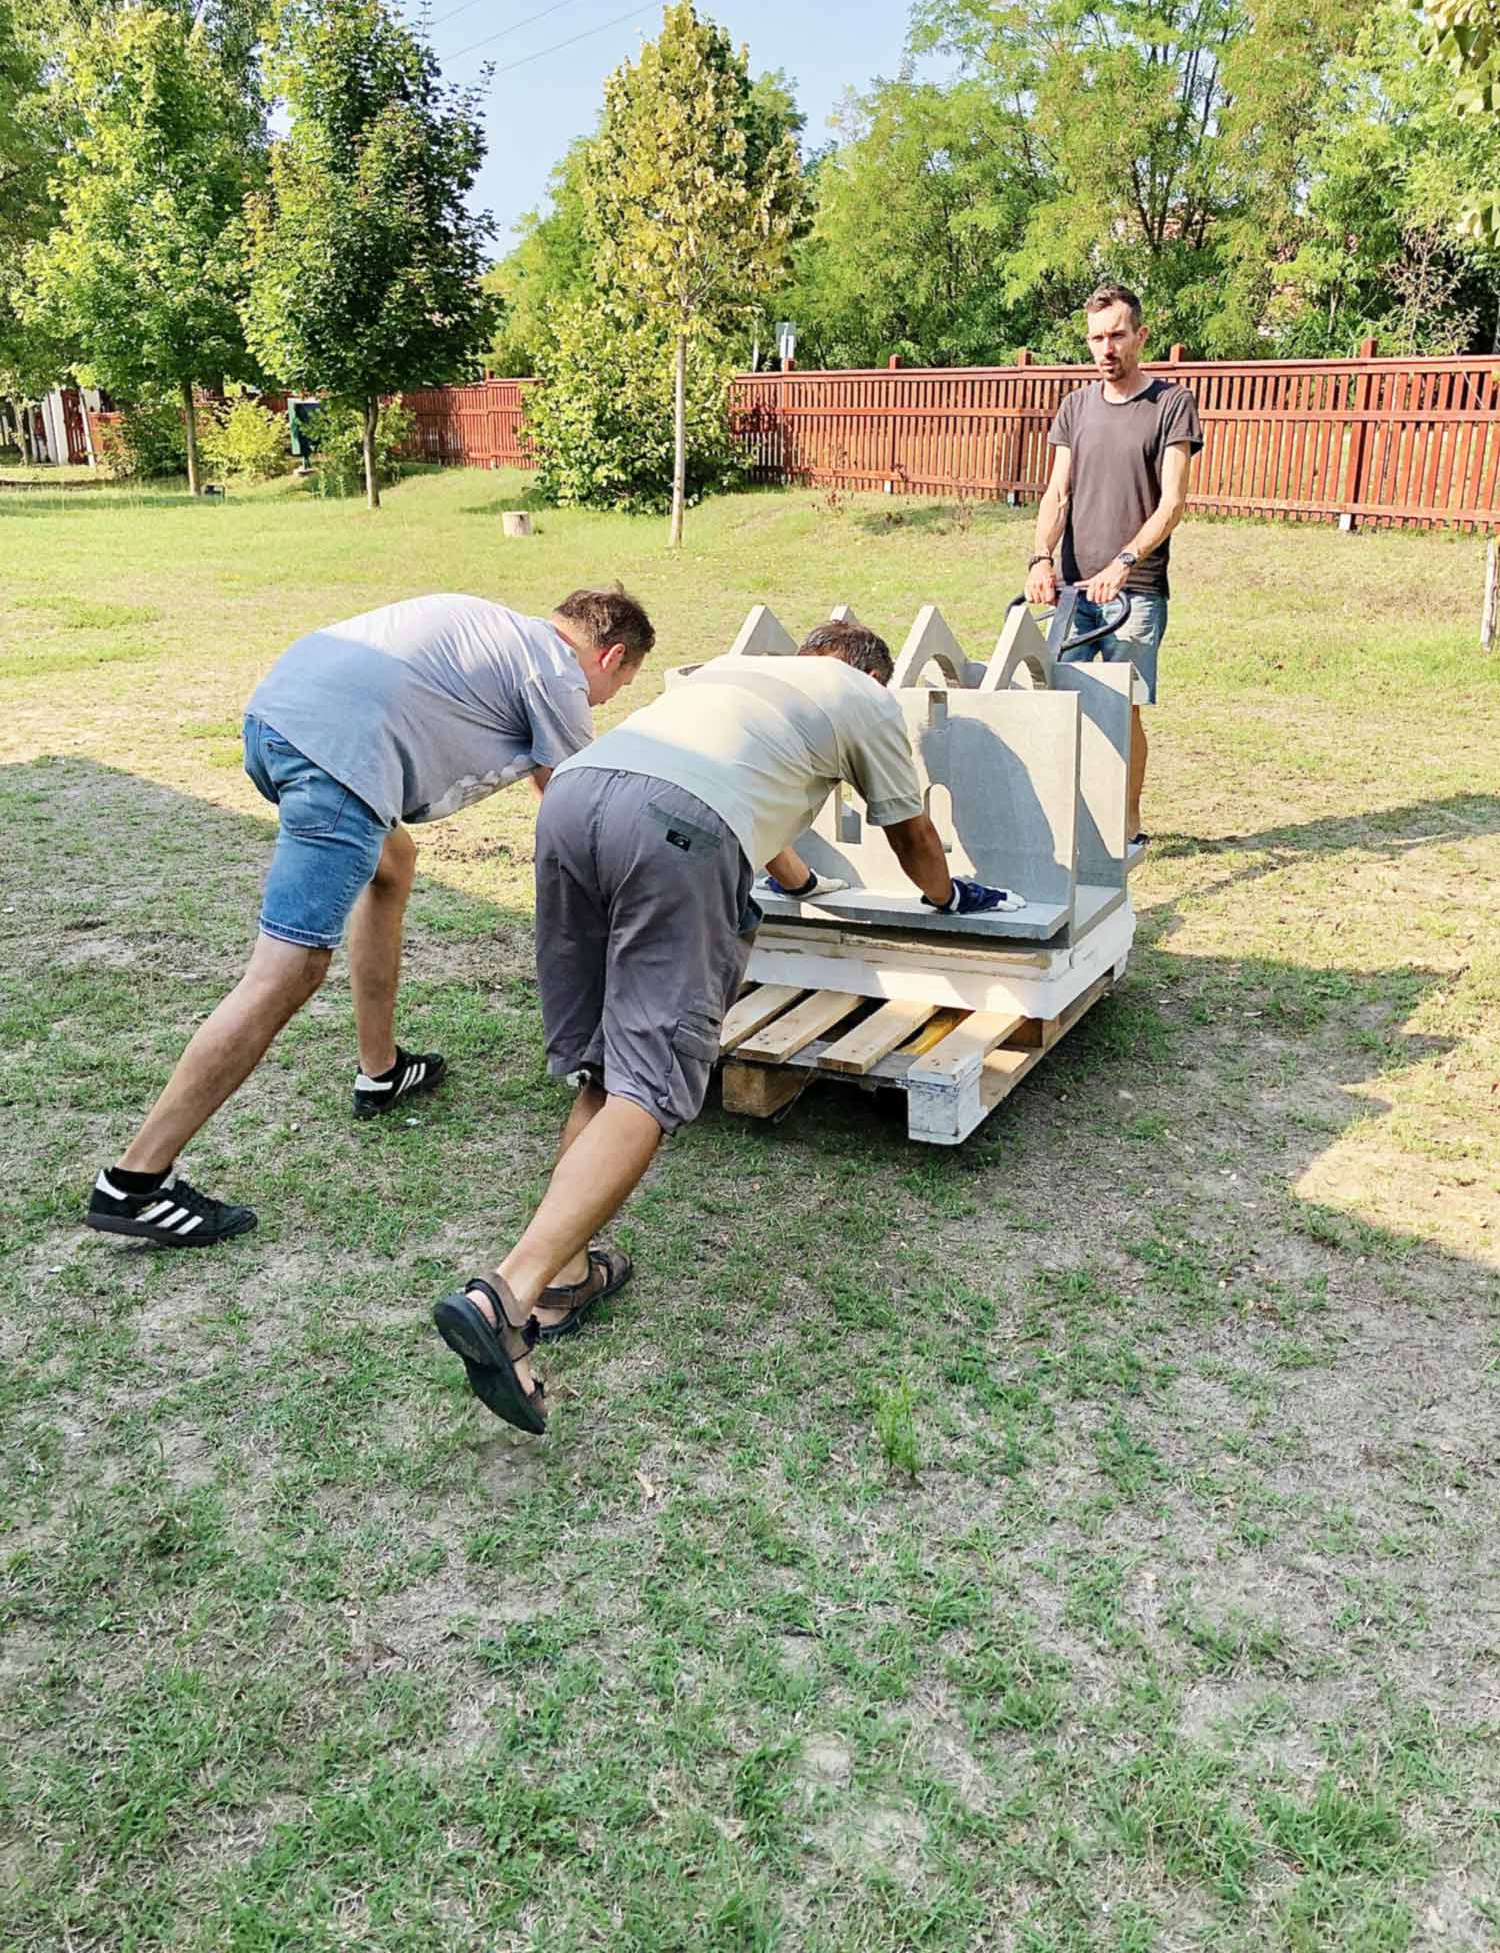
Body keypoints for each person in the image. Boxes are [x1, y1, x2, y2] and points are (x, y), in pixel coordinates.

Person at [431, 618, 1016, 1434]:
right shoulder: (865, 696)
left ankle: (564, 1277)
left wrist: (804, 886)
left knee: (606, 1064)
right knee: (649, 1087)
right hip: (674, 826)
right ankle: (507, 1296)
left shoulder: (741, 676)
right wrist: (948, 897)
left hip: (573, 799)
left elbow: (747, 802)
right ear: (873, 675)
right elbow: (911, 832)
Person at [84, 586, 654, 1249]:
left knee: (394, 861)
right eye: (620, 687)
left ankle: (380, 1072)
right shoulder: (557, 672)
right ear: (611, 656)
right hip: (338, 759)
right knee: (288, 970)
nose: (605, 701)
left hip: (274, 723)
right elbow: (573, 800)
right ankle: (135, 1182)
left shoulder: (501, 629)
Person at [1025, 284, 1203, 846]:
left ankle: (1127, 826)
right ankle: (1066, 826)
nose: (1106, 348)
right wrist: (1040, 559)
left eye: (1117, 335)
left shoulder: (1171, 405)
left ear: (1140, 336)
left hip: (1136, 590)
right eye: (1097, 338)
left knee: (1122, 711)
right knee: (1060, 707)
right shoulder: (1075, 407)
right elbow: (1057, 492)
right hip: (1073, 591)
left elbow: (1172, 503)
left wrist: (1125, 561)